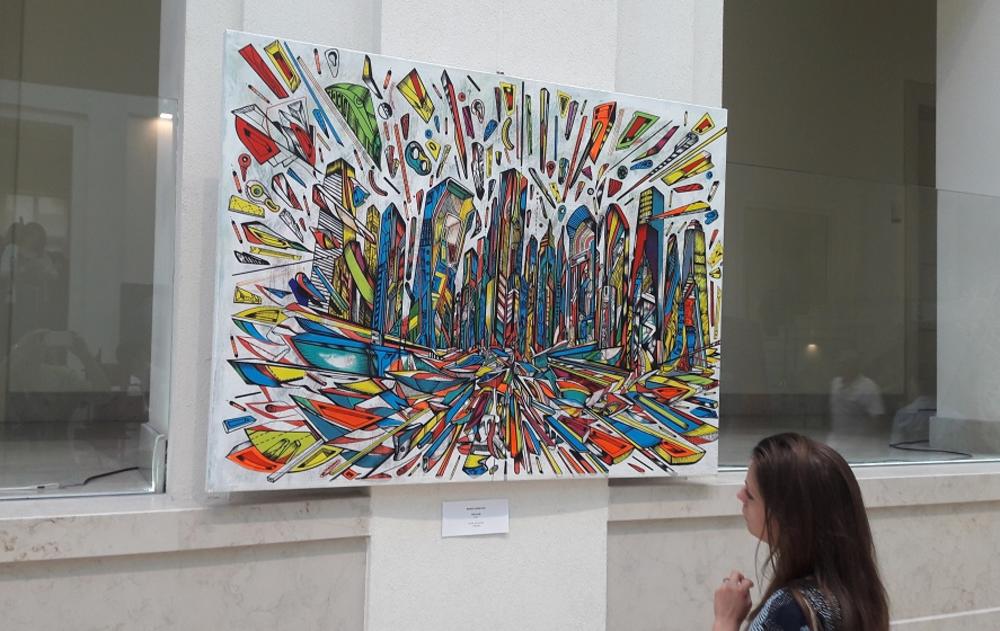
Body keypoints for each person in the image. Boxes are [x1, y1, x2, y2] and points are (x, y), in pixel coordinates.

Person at [712, 433, 889, 631]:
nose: (740, 496)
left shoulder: (790, 611)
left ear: (787, 518)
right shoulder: (856, 592)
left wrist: (725, 620)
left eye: (750, 494)